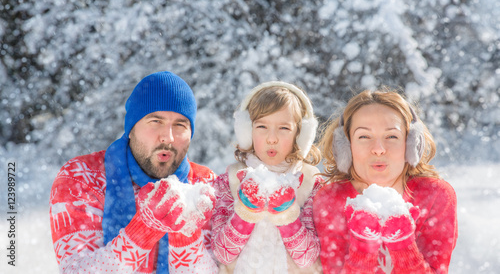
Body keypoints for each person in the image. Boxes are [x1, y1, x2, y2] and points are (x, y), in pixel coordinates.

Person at [49, 71, 218, 273]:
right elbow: (76, 270)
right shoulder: (81, 178)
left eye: (180, 125)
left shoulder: (206, 185)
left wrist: (186, 236)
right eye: (156, 121)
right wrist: (145, 228)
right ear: (132, 128)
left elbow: (225, 268)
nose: (168, 137)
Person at [313, 88, 458, 273]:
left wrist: (403, 246)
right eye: (364, 136)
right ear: (346, 147)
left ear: (411, 144)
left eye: (392, 136)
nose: (379, 149)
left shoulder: (436, 196)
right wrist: (363, 248)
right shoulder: (330, 199)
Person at [211, 81, 324, 273]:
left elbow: (309, 260)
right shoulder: (231, 181)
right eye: (262, 126)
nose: (272, 138)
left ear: (300, 135)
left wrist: (286, 215)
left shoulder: (310, 184)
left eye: (284, 128)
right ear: (247, 131)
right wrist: (245, 213)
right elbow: (222, 255)